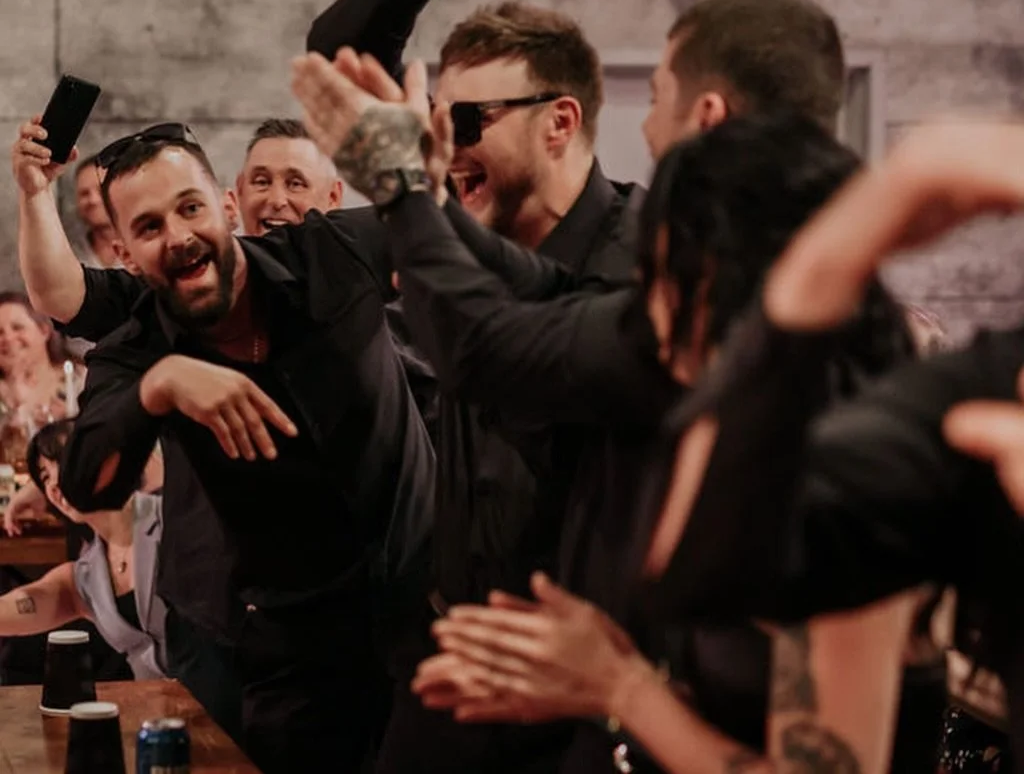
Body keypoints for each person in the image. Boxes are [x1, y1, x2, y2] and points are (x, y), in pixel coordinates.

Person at [291, 56, 945, 772]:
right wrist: (418, 185)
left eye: (669, 287)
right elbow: (538, 297)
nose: (648, 323)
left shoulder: (836, 493)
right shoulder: (716, 406)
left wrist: (620, 686)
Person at [610, 121, 1024, 763]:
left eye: (662, 274)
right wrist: (825, 264)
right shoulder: (972, 389)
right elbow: (688, 568)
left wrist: (620, 689)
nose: (650, 310)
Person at [55, 124, 433, 774]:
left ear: (227, 207)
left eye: (189, 208)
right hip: (300, 657)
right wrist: (161, 387)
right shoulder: (139, 348)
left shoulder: (330, 251)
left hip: (430, 616)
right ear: (125, 252)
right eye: (148, 228)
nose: (177, 236)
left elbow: (450, 237)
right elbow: (88, 481)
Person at [0, 420, 168, 680]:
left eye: (63, 461)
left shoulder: (172, 518)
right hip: (156, 711)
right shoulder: (89, 575)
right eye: (45, 477)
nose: (54, 486)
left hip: (224, 704)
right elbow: (34, 599)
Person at [0, 291, 83, 467]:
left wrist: (72, 423)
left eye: (17, 327)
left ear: (44, 331)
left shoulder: (80, 379)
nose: (7, 338)